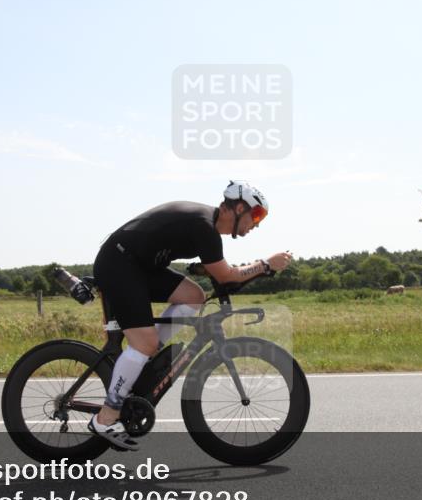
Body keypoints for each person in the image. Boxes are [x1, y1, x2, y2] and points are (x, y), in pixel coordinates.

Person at [87, 180, 293, 449]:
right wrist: (265, 265)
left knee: (193, 296)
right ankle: (106, 417)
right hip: (120, 265)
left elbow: (221, 271)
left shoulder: (207, 228)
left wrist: (215, 270)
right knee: (143, 343)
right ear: (239, 207)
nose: (257, 223)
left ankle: (147, 361)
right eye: (256, 215)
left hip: (139, 266)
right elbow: (227, 275)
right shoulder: (203, 225)